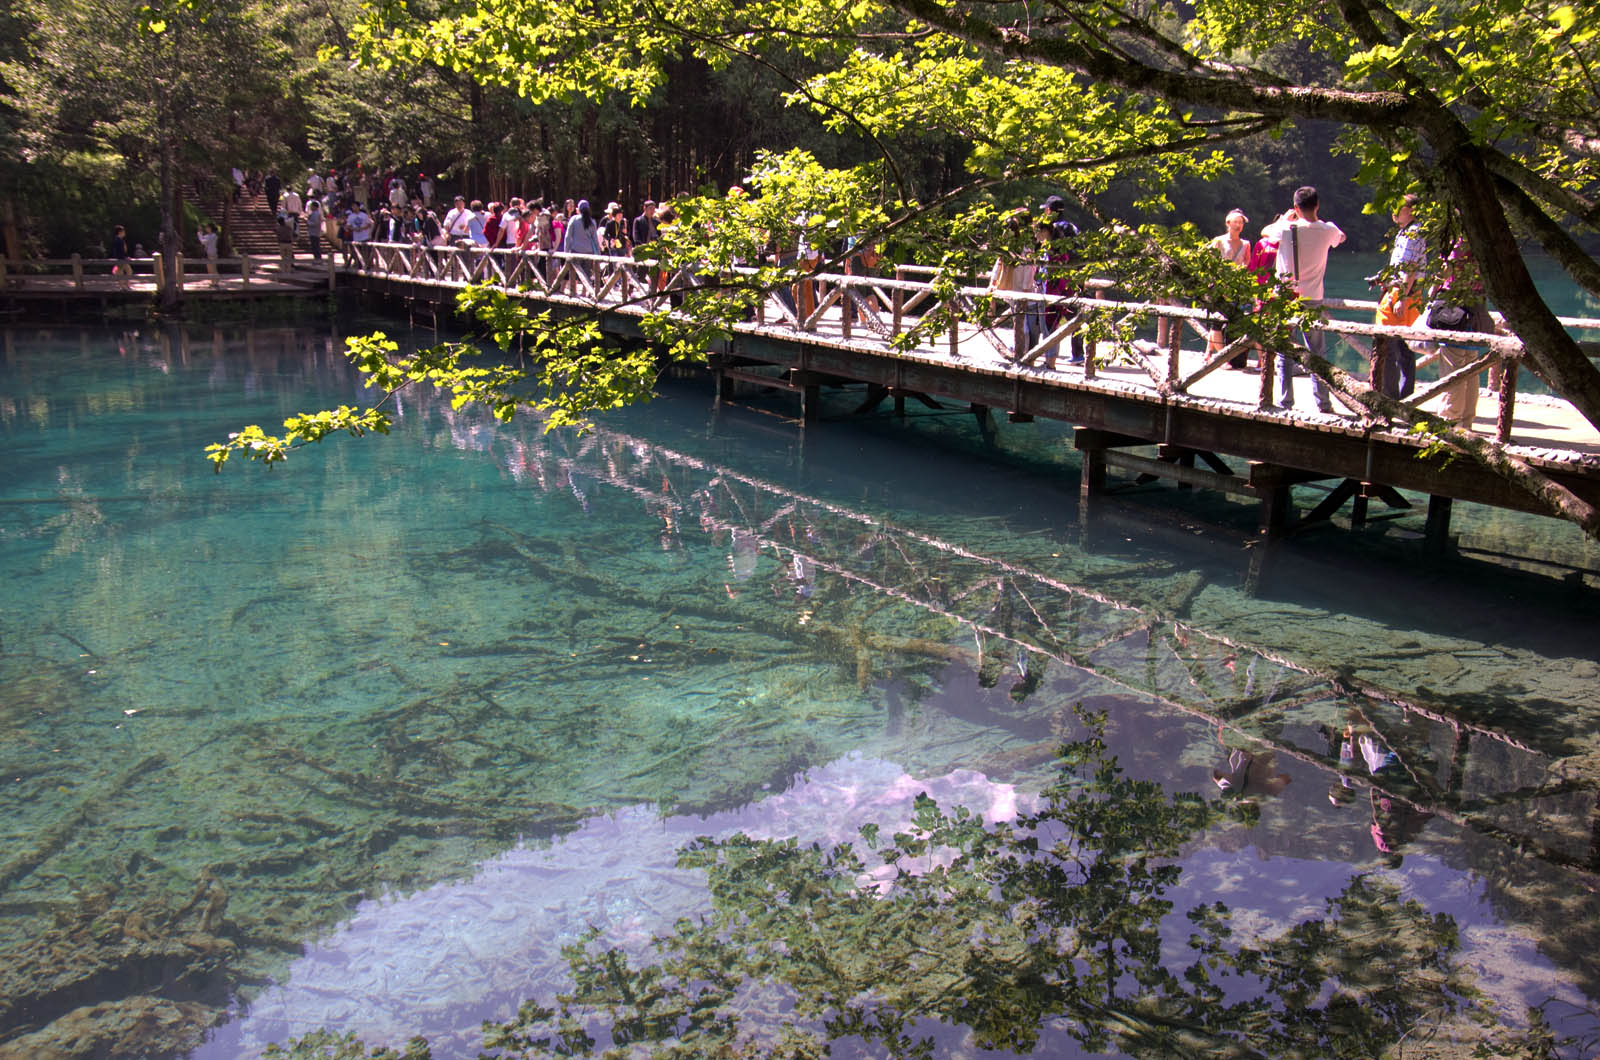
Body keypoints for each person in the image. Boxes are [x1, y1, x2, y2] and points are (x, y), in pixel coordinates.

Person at [1260, 186, 1346, 413]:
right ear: (1317, 205)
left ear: (1296, 207)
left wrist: (1286, 218)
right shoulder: (1328, 230)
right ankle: (1323, 403)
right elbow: (1341, 237)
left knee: (1284, 351)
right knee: (1317, 353)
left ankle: (1285, 403)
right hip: (1313, 298)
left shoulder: (1285, 229)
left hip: (1285, 297)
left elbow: (1265, 231)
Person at [1207, 208, 1253, 367]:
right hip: (1220, 287)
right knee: (1216, 322)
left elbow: (1247, 264)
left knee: (1233, 320)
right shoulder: (1218, 241)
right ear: (1228, 223)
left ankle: (1222, 355)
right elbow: (1210, 262)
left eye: (1241, 223)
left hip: (1236, 288)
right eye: (1236, 222)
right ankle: (1223, 358)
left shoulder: (1246, 244)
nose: (1239, 225)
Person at [110, 224, 133, 289]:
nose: (124, 233)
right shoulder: (118, 240)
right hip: (121, 259)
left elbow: (123, 250)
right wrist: (125, 257)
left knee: (121, 272)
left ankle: (124, 286)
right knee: (128, 271)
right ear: (120, 232)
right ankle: (125, 285)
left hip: (121, 259)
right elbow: (120, 251)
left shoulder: (119, 240)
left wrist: (126, 256)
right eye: (123, 231)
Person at [199, 222, 220, 287]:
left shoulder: (213, 236)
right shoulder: (208, 235)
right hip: (208, 254)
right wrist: (200, 232)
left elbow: (203, 241)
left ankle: (216, 282)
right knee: (209, 269)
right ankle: (213, 282)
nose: (206, 229)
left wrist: (199, 235)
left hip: (212, 253)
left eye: (207, 227)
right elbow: (203, 238)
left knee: (213, 268)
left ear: (210, 228)